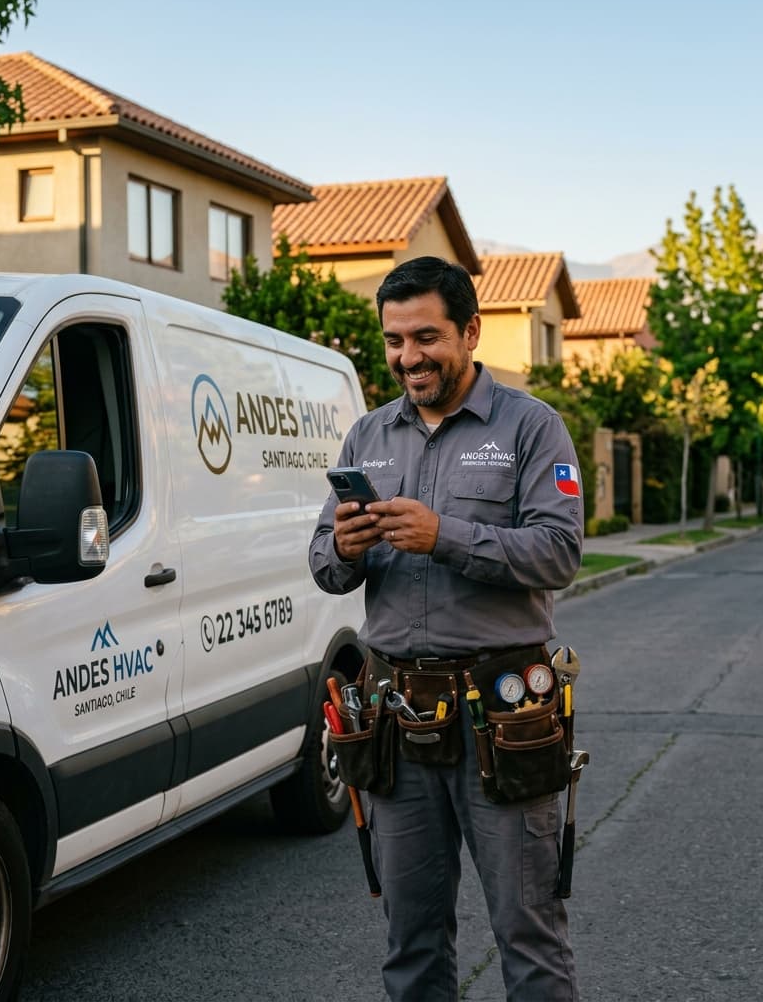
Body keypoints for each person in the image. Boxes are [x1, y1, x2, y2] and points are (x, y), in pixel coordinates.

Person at [309, 256, 584, 1001]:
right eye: (394, 341)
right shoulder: (367, 436)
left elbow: (559, 552)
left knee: (528, 934)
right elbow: (324, 567)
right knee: (411, 939)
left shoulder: (532, 428)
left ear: (470, 330)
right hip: (397, 720)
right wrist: (344, 546)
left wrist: (445, 536)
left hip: (504, 718)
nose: (408, 357)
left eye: (426, 337)